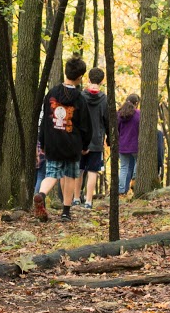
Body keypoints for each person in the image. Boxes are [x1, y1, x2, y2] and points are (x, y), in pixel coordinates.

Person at [34, 56, 91, 222]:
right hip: (72, 144)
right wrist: (85, 144)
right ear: (80, 77)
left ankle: (41, 194)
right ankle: (66, 212)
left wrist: (42, 142)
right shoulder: (80, 99)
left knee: (51, 174)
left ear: (65, 72)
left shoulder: (51, 94)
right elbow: (85, 125)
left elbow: (45, 120)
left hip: (53, 141)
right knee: (70, 176)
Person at [79, 68, 111, 207]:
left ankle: (75, 198)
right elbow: (108, 120)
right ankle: (88, 201)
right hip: (97, 140)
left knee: (79, 170)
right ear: (102, 81)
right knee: (92, 171)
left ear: (88, 79)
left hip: (80, 139)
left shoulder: (81, 96)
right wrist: (109, 137)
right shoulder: (104, 99)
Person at [115, 93, 141, 195]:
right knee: (138, 162)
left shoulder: (119, 114)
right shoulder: (138, 114)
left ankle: (121, 190)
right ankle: (134, 177)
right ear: (136, 103)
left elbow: (116, 129)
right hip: (135, 145)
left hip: (122, 145)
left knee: (123, 168)